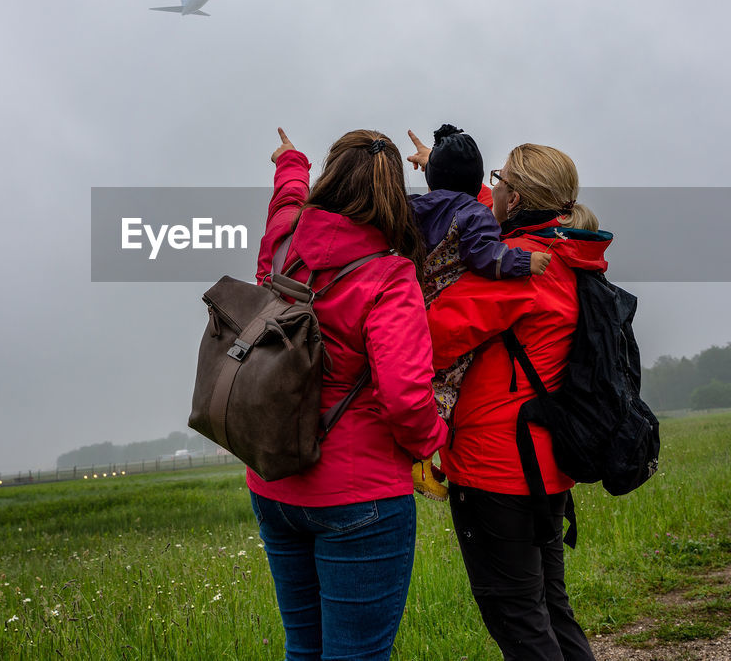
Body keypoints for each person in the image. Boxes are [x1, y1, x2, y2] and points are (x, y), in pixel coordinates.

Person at [248, 127, 449, 661]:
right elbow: (406, 397)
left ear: (330, 178)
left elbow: (288, 199)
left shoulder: (284, 243)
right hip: (361, 498)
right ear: (391, 196)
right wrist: (434, 437)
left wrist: (290, 161)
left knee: (304, 650)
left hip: (274, 481)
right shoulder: (389, 275)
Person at [426, 142, 604, 661]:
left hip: (497, 469)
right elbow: (501, 216)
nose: (493, 188)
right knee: (549, 607)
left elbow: (430, 337)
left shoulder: (520, 274)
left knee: (519, 621)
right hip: (544, 464)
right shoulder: (565, 253)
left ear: (518, 196)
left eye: (499, 181)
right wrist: (450, 189)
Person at [403, 124, 551, 501]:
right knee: (445, 387)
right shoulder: (476, 215)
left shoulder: (411, 207)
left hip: (412, 306)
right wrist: (523, 262)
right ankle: (420, 461)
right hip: (444, 313)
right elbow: (487, 256)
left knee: (419, 385)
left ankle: (421, 457)